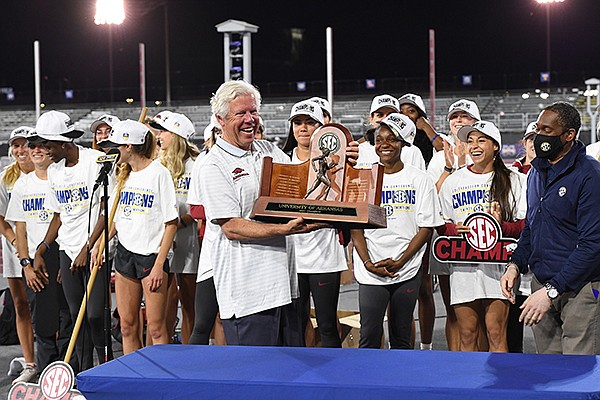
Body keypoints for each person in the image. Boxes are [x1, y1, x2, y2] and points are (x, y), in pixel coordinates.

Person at [197, 80, 359, 346]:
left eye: (253, 112)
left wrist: (339, 159)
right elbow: (232, 227)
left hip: (285, 290)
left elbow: (306, 177)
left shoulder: (267, 150)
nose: (250, 120)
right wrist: (283, 230)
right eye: (241, 113)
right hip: (249, 295)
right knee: (255, 377)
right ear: (220, 119)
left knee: (286, 377)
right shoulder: (214, 164)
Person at [502, 102, 600, 355]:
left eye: (547, 130)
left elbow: (593, 244)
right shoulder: (537, 172)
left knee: (579, 371)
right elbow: (532, 227)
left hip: (581, 289)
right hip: (542, 283)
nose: (540, 136)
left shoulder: (590, 175)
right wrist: (515, 264)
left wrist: (551, 290)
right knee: (548, 368)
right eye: (537, 129)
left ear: (569, 135)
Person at [351, 113, 442, 349]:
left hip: (406, 267)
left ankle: (400, 385)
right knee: (369, 335)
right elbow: (356, 225)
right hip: (370, 269)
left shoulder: (419, 179)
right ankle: (369, 385)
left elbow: (426, 228)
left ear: (403, 143)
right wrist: (368, 262)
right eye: (379, 139)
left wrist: (401, 261)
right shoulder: (363, 177)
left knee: (402, 336)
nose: (384, 144)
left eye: (391, 139)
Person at [31, 110, 108, 372]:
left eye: (49, 145)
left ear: (64, 143)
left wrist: (88, 248)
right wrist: (42, 249)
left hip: (95, 250)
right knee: (78, 319)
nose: (45, 151)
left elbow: (106, 212)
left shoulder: (95, 161)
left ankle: (105, 368)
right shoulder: (54, 171)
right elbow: (58, 216)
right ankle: (85, 374)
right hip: (68, 249)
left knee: (96, 315)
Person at [439, 120, 525, 352]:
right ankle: (471, 388)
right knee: (467, 335)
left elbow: (525, 225)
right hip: (463, 267)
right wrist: (452, 230)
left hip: (498, 267)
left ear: (495, 146)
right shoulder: (453, 182)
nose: (474, 146)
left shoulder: (515, 180)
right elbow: (441, 225)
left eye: (481, 140)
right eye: (470, 141)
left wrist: (502, 226)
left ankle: (501, 387)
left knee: (496, 333)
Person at [94, 119, 178, 354]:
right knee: (128, 326)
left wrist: (159, 266)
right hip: (124, 255)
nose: (112, 151)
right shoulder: (122, 176)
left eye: (116, 146)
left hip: (151, 258)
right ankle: (133, 377)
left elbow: (171, 223)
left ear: (129, 146)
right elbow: (117, 221)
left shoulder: (159, 173)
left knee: (157, 328)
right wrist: (100, 244)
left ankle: (161, 380)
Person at [282, 100, 346, 347]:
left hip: (324, 255)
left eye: (310, 123)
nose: (303, 128)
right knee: (295, 324)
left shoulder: (337, 163)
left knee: (328, 324)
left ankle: (334, 381)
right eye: (298, 123)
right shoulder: (280, 160)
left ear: (322, 126)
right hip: (291, 256)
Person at [6, 136, 73, 374]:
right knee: (43, 324)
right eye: (31, 146)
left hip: (62, 255)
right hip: (34, 262)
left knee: (68, 319)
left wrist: (67, 262)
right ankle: (48, 375)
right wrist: (25, 264)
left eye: (40, 146)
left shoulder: (63, 178)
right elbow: (20, 228)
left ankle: (68, 373)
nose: (35, 150)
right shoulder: (23, 185)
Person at [426, 99, 479, 351]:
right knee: (453, 309)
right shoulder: (438, 158)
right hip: (448, 240)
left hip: (480, 242)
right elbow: (430, 198)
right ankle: (454, 360)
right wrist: (449, 166)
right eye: (454, 117)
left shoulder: (484, 152)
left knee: (480, 309)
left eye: (464, 117)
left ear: (475, 122)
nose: (458, 120)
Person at [150, 111, 200, 344]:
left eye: (164, 131)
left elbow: (199, 205)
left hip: (189, 240)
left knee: (190, 306)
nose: (159, 136)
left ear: (177, 135)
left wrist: (178, 224)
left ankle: (191, 357)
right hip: (164, 241)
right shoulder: (158, 164)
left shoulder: (197, 164)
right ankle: (163, 356)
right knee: (164, 307)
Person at [0, 127, 36, 384]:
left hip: (42, 247)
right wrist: (15, 241)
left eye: (25, 145)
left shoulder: (47, 174)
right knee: (21, 305)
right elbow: (1, 218)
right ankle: (30, 362)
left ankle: (52, 358)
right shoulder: (5, 179)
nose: (20, 150)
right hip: (14, 249)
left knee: (47, 307)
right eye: (16, 145)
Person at [187, 118, 226, 346]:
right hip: (213, 249)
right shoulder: (204, 161)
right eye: (217, 132)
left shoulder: (254, 157)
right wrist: (225, 209)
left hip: (245, 252)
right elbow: (195, 208)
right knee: (203, 322)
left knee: (228, 319)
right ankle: (192, 376)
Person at [356, 94, 425, 170]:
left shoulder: (412, 151)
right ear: (371, 119)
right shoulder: (357, 151)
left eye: (391, 115)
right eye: (380, 115)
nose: (385, 119)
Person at [397, 93, 443, 164]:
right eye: (401, 112)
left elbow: (444, 151)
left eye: (411, 111)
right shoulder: (391, 137)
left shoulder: (432, 136)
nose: (405, 116)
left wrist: (426, 126)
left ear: (420, 115)